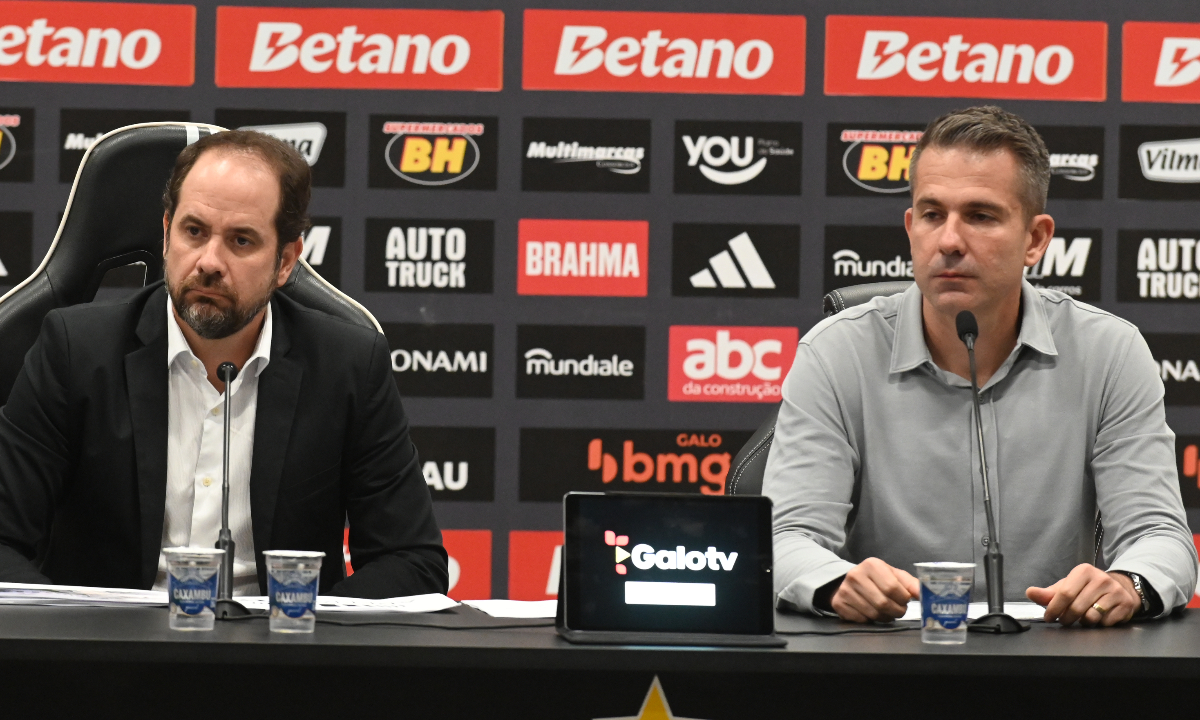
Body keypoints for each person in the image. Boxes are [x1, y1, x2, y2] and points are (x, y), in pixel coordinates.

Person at [764, 106, 1197, 627]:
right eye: (931, 214)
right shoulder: (835, 353)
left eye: (980, 216)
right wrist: (834, 582)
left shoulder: (1109, 352)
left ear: (1035, 239)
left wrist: (1128, 584)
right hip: (884, 662)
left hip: (1054, 668)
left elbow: (1160, 536)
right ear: (910, 227)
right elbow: (786, 537)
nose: (948, 240)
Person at [0, 130, 447, 598]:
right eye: (194, 232)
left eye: (241, 240)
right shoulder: (75, 352)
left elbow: (413, 562)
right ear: (167, 231)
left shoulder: (348, 367)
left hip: (281, 655)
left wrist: (307, 631)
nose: (209, 262)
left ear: (285, 261)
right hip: (113, 656)